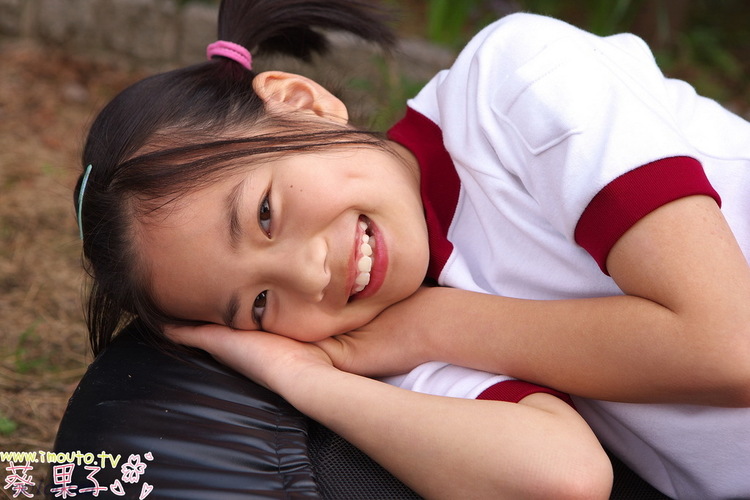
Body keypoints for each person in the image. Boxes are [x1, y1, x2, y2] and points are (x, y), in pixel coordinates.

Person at [73, 0, 749, 498]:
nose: (311, 274)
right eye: (257, 303)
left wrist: (439, 327)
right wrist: (309, 381)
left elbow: (731, 347)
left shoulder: (514, 83)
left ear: (301, 101)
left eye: (266, 214)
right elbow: (561, 478)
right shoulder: (384, 339)